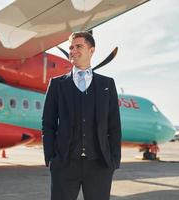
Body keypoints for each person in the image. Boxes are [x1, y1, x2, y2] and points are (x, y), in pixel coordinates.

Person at [42, 31, 121, 200]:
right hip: (64, 164)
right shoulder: (56, 84)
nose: (73, 50)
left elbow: (114, 125)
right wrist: (50, 158)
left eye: (79, 46)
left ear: (91, 50)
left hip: (100, 165)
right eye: (71, 47)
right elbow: (48, 123)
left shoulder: (107, 84)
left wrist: (114, 160)